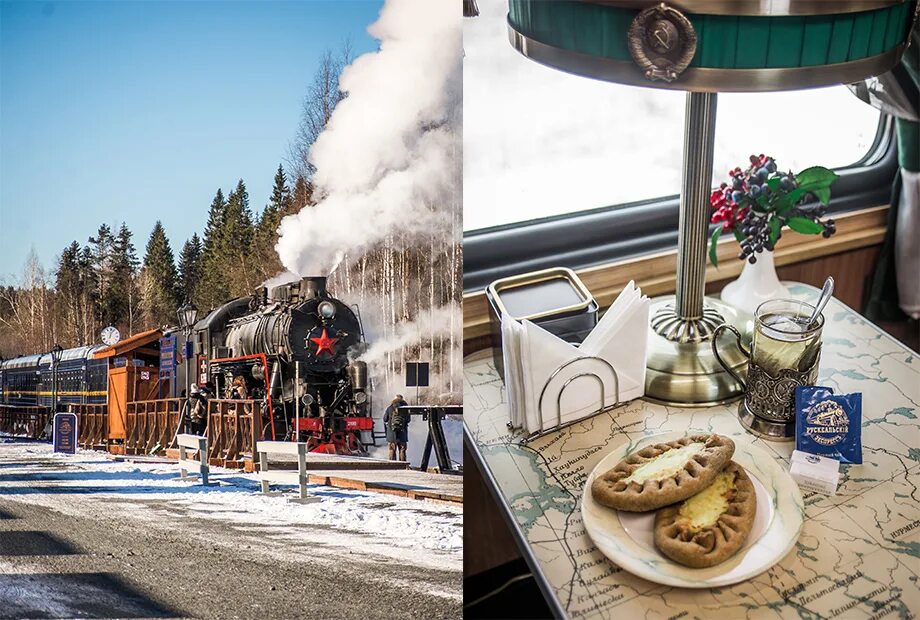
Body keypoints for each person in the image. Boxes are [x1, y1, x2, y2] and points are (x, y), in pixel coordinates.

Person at [384, 394, 410, 461]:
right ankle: (403, 465)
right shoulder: (406, 408)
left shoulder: (390, 408)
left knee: (392, 449)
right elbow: (408, 419)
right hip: (402, 432)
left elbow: (385, 419)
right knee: (402, 449)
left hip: (392, 433)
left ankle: (392, 465)